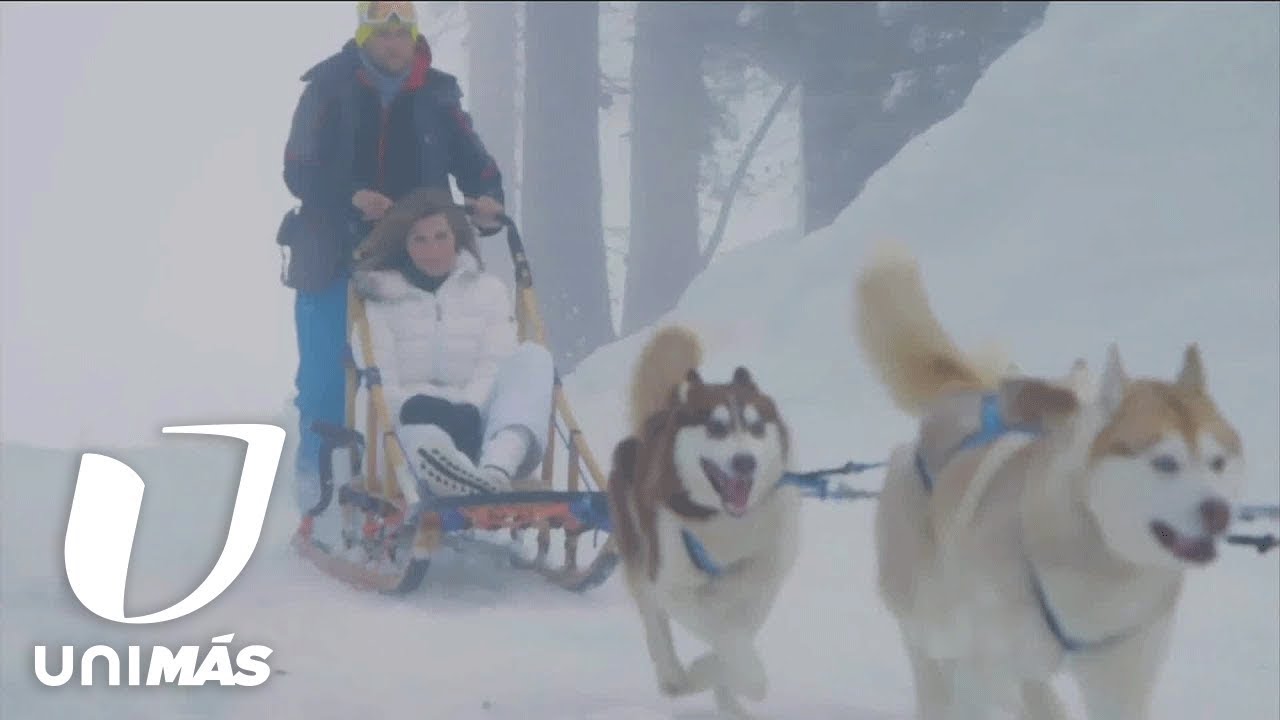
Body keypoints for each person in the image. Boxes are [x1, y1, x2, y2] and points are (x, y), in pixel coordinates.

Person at [279, 1, 506, 504]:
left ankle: (417, 475)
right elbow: (299, 169)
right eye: (382, 33)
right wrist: (351, 196)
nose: (393, 43)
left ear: (414, 37)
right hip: (329, 254)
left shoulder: (439, 95)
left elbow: (477, 166)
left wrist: (489, 201)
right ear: (364, 36)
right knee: (325, 382)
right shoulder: (327, 88)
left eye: (402, 33)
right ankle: (317, 493)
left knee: (415, 372)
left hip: (412, 258)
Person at [350, 187, 554, 498]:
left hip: (477, 428)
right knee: (425, 437)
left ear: (457, 237)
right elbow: (380, 385)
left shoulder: (489, 291)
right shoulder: (378, 303)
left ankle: (495, 470)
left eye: (441, 237)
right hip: (401, 435)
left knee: (534, 357)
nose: (433, 250)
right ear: (403, 246)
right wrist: (417, 408)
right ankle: (451, 470)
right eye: (419, 240)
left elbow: (494, 366)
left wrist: (469, 410)